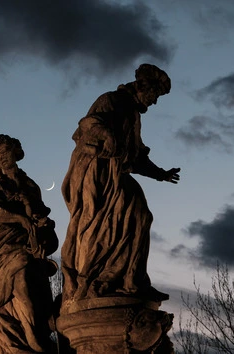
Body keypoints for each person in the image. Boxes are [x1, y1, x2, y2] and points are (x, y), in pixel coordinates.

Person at [61, 64, 180, 304]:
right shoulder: (112, 100)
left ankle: (131, 280)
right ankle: (98, 278)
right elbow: (86, 126)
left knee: (140, 216)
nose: (154, 102)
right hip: (95, 173)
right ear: (142, 87)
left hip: (115, 173)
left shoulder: (133, 115)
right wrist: (107, 135)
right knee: (100, 225)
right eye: (154, 95)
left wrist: (160, 174)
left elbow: (135, 157)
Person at [0, 134, 58, 353]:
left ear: (15, 152)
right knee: (21, 265)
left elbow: (39, 213)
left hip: (27, 240)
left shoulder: (30, 185)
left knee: (34, 276)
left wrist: (42, 224)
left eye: (6, 152)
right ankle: (32, 334)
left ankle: (35, 329)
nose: (3, 158)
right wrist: (20, 219)